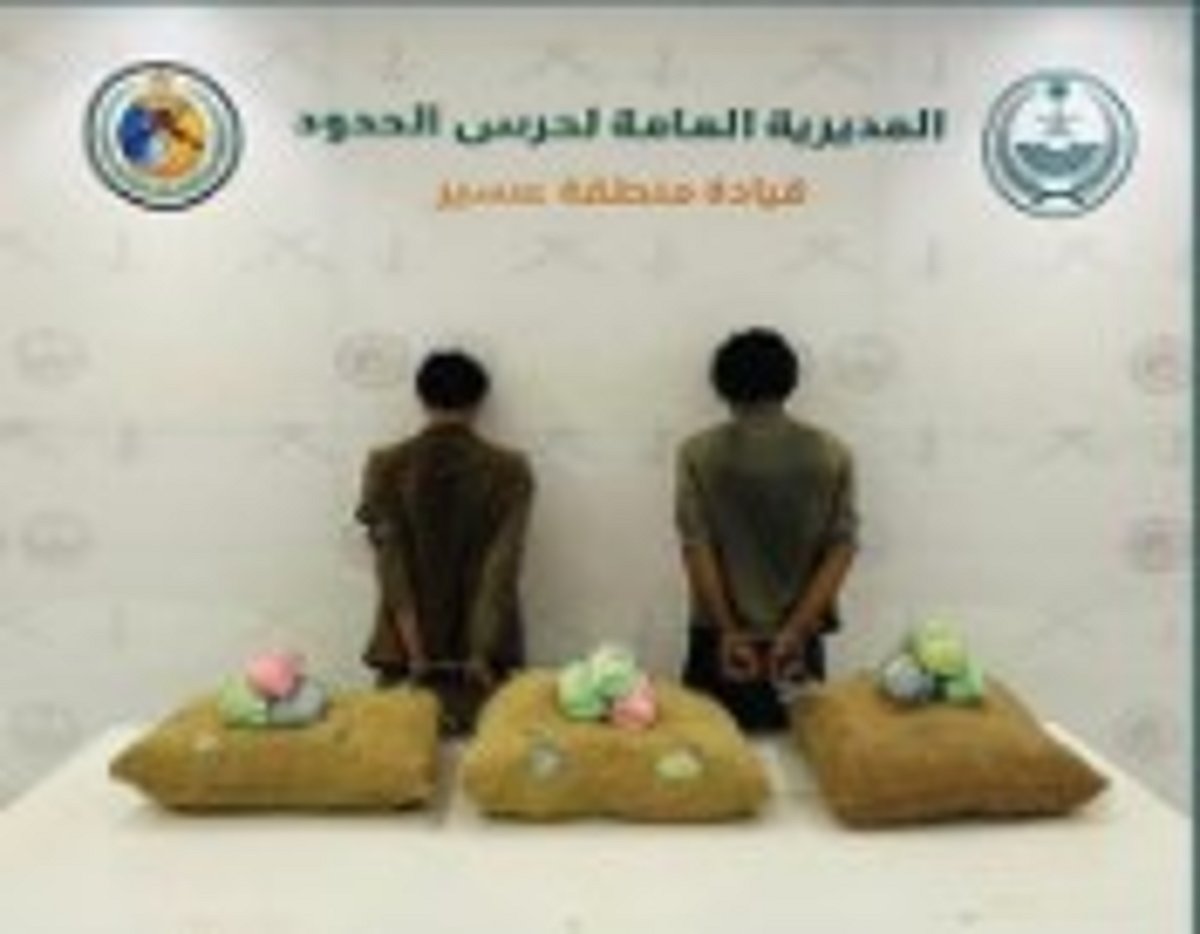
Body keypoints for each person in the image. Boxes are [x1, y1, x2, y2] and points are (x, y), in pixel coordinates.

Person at [675, 327, 858, 730]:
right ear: (790, 381)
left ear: (721, 385)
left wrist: (729, 632)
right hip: (798, 642)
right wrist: (795, 631)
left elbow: (696, 546)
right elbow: (842, 548)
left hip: (718, 639)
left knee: (711, 752)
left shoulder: (697, 454)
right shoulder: (832, 454)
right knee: (802, 750)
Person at [355, 349, 534, 733]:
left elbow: (390, 564)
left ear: (421, 397)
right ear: (479, 400)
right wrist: (479, 652)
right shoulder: (510, 470)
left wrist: (416, 654)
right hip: (480, 666)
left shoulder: (385, 464)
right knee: (482, 760)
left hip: (403, 660)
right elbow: (501, 571)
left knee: (397, 751)